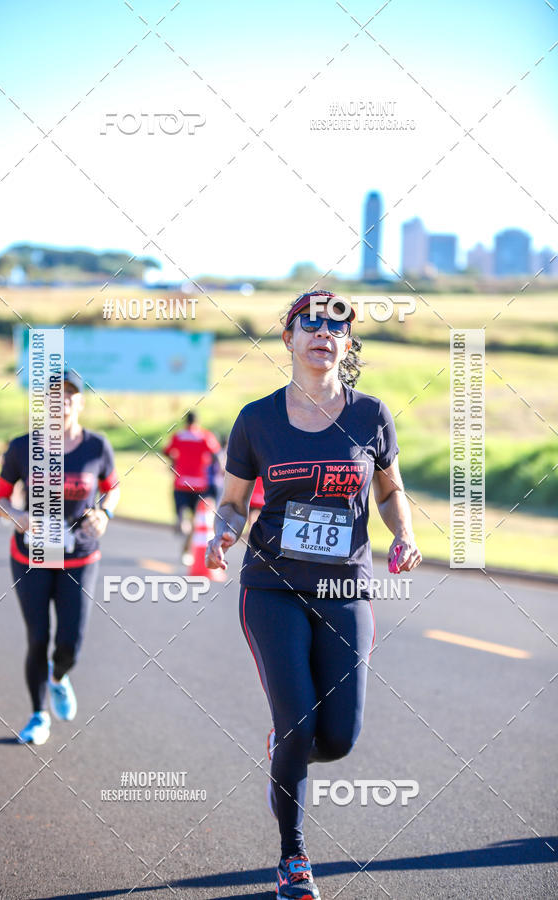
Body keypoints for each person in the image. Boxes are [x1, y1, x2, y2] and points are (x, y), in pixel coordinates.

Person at [206, 291, 422, 900]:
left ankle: (285, 749)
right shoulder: (257, 419)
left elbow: (389, 491)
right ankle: (293, 858)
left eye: (336, 326)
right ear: (289, 338)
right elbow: (232, 502)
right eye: (310, 322)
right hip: (272, 587)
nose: (323, 331)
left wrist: (403, 533)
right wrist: (224, 534)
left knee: (339, 739)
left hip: (345, 588)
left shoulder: (371, 414)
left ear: (346, 344)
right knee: (299, 724)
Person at [0, 370, 120, 745]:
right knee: (38, 637)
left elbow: (113, 487)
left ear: (80, 402)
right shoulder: (22, 447)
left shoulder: (97, 447)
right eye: (53, 395)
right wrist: (17, 515)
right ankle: (38, 715)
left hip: (79, 556)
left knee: (70, 641)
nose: (61, 401)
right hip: (31, 554)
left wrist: (105, 513)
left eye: (69, 394)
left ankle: (59, 676)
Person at [163, 412, 221, 565]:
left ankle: (182, 523)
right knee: (196, 519)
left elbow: (166, 451)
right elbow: (216, 453)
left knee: (181, 512)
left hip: (181, 482)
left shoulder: (178, 435)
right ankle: (186, 549)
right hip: (199, 484)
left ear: (185, 422)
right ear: (198, 421)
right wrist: (209, 464)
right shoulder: (205, 436)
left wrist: (174, 462)